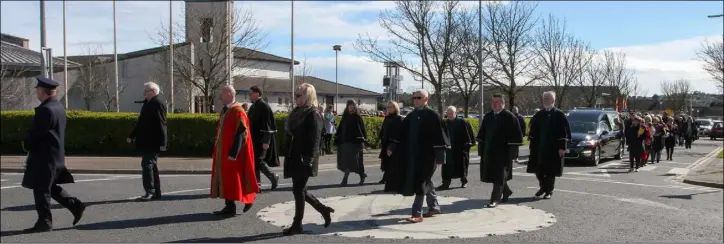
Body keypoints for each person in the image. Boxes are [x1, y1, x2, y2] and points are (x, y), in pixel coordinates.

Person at [21, 77, 85, 233]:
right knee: (48, 186)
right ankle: (75, 205)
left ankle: (44, 222)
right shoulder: (58, 106)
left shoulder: (45, 110)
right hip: (54, 155)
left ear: (42, 91)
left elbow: (37, 133)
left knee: (41, 188)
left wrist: (26, 145)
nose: (36, 92)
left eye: (37, 89)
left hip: (44, 156)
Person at [386, 89, 449, 223]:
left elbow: (440, 137)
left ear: (426, 99)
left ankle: (417, 213)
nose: (415, 100)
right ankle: (434, 207)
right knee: (426, 181)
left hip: (428, 156)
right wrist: (392, 146)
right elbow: (400, 133)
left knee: (421, 181)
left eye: (418, 98)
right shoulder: (411, 116)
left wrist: (440, 157)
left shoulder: (433, 115)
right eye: (414, 98)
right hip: (413, 155)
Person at [282, 83, 335, 235]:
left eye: (299, 95)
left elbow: (315, 139)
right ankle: (323, 210)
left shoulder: (313, 114)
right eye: (296, 94)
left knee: (298, 189)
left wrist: (309, 159)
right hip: (294, 155)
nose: (296, 97)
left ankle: (297, 224)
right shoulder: (297, 111)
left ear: (308, 96)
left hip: (305, 158)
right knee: (300, 189)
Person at [209, 85, 258, 216]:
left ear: (230, 95)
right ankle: (229, 206)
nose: (220, 97)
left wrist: (233, 153)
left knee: (237, 177)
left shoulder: (238, 111)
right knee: (227, 179)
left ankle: (249, 198)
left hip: (234, 153)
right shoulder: (226, 110)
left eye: (222, 94)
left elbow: (242, 132)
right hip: (223, 151)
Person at [477, 94, 523, 208]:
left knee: (499, 176)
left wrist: (513, 155)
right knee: (496, 176)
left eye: (496, 102)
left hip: (503, 154)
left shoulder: (510, 117)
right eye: (492, 102)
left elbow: (516, 137)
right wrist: (481, 151)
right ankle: (506, 191)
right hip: (490, 153)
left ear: (502, 103)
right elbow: (482, 136)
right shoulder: (488, 117)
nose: (493, 104)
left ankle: (494, 199)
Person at [126, 81, 168, 201]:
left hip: (154, 142)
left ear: (154, 92)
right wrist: (132, 135)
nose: (144, 93)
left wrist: (163, 143)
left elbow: (162, 124)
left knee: (147, 164)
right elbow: (141, 123)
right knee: (151, 166)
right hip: (147, 141)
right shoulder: (148, 103)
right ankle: (155, 191)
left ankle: (150, 191)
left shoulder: (158, 103)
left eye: (146, 91)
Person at [527, 91, 570, 199]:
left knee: (550, 171)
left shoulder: (559, 114)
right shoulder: (539, 114)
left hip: (553, 148)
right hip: (539, 148)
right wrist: (532, 145)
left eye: (547, 98)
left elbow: (564, 132)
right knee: (538, 170)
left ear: (553, 100)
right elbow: (532, 130)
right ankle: (544, 187)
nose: (545, 100)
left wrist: (562, 147)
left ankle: (549, 191)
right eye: (544, 98)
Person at [246, 86, 280, 192]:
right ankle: (257, 185)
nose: (249, 95)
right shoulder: (253, 106)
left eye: (251, 93)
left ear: (257, 93)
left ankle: (272, 177)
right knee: (255, 161)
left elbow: (268, 125)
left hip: (262, 139)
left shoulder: (263, 106)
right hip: (254, 138)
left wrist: (266, 141)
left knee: (259, 160)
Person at [437, 106, 475, 190]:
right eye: (448, 113)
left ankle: (464, 181)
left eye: (451, 113)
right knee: (447, 167)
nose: (450, 115)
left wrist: (466, 146)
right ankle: (446, 183)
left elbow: (468, 136)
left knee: (462, 165)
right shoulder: (444, 123)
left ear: (456, 113)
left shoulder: (462, 122)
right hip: (448, 149)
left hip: (460, 149)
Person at [335, 100, 368, 185]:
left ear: (355, 106)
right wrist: (337, 138)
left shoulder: (357, 116)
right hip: (345, 142)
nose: (351, 107)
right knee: (345, 162)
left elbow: (362, 129)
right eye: (349, 105)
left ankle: (361, 175)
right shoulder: (345, 116)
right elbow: (340, 128)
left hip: (355, 142)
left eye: (352, 105)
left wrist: (363, 139)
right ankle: (346, 179)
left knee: (355, 162)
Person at [378, 101, 403, 187]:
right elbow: (384, 129)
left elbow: (399, 133)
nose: (389, 108)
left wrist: (393, 144)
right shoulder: (387, 117)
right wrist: (380, 137)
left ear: (395, 108)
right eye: (388, 107)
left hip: (394, 143)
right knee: (386, 160)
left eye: (391, 107)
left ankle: (390, 179)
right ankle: (385, 177)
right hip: (386, 142)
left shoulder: (399, 118)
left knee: (392, 161)